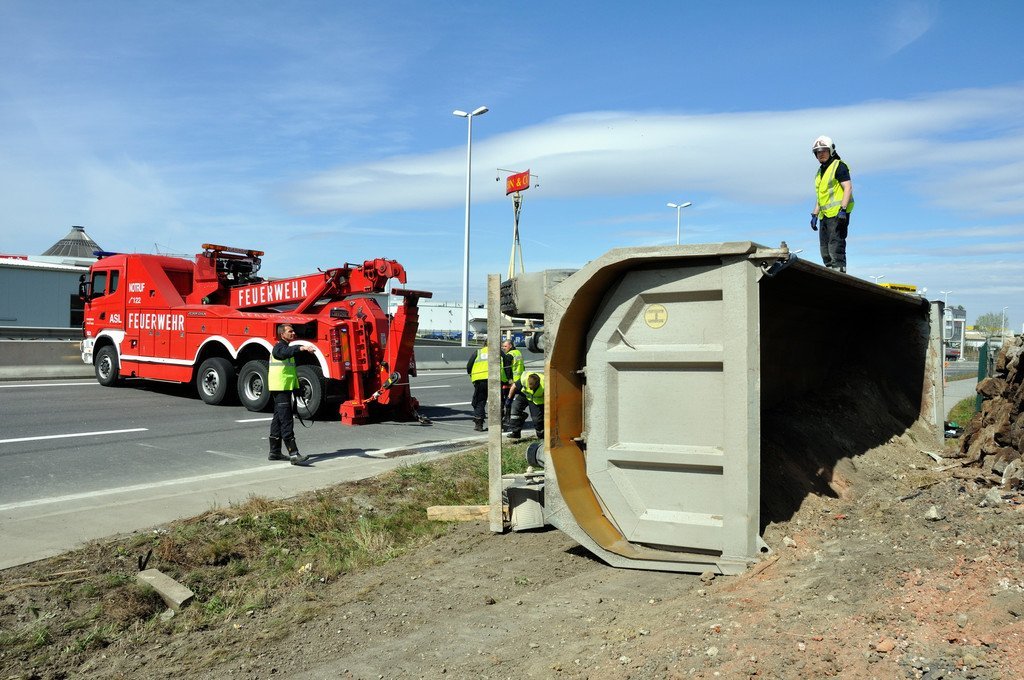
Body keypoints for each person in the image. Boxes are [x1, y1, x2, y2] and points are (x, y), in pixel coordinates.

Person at [268, 323, 316, 464]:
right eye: (290, 331)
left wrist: (296, 388)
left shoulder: (287, 348)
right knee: (286, 420)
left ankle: (275, 452)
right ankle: (294, 454)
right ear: (282, 334)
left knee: (278, 419)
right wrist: (302, 348)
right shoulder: (279, 347)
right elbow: (281, 354)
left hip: (284, 387)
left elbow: (289, 371)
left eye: (293, 331)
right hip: (280, 388)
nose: (293, 333)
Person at [810, 135, 854, 273]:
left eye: (824, 151)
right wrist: (815, 214)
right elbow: (821, 196)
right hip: (824, 215)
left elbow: (848, 187)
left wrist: (843, 209)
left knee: (835, 248)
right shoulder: (820, 172)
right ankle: (829, 276)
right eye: (818, 152)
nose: (821, 154)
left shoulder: (839, 166)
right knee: (824, 250)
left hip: (838, 214)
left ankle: (839, 276)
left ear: (831, 150)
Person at [466, 345, 512, 432]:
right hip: (496, 379)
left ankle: (479, 424)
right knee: (497, 402)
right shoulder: (500, 353)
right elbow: (507, 365)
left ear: (484, 344)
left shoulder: (478, 352)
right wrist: (508, 379)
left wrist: (472, 375)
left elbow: (469, 366)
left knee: (479, 402)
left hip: (480, 380)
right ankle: (497, 424)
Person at [505, 371, 544, 440]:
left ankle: (541, 436)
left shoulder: (545, 385)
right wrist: (509, 399)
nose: (530, 389)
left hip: (536, 401)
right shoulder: (524, 379)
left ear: (538, 384)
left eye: (532, 388)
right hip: (525, 395)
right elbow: (514, 386)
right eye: (529, 387)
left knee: (537, 420)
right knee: (515, 408)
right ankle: (515, 432)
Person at [501, 339, 525, 428]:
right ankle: (517, 416)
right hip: (520, 380)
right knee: (520, 400)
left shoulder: (509, 355)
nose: (503, 348)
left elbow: (507, 369)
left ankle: (507, 420)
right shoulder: (518, 353)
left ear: (510, 346)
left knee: (508, 401)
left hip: (511, 382)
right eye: (503, 346)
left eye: (505, 346)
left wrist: (509, 380)